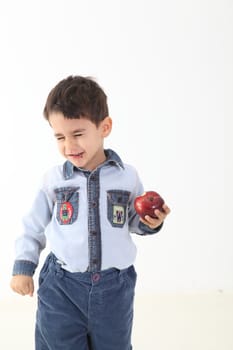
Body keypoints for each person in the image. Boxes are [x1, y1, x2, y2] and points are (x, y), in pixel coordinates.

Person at [10, 75, 170, 350]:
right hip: (62, 286)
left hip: (114, 288)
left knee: (114, 345)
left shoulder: (127, 177)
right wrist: (24, 268)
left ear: (104, 127)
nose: (69, 146)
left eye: (78, 134)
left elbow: (132, 221)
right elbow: (33, 227)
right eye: (60, 137)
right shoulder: (54, 180)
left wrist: (150, 221)